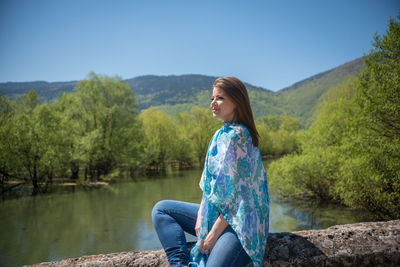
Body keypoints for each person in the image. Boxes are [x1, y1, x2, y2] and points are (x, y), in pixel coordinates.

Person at [152, 77, 270, 267]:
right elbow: (210, 186)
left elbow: (239, 198)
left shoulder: (238, 137)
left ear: (237, 101)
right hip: (216, 213)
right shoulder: (219, 136)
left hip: (241, 222)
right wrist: (200, 216)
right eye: (212, 98)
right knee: (162, 210)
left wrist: (212, 235)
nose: (213, 104)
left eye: (220, 98)